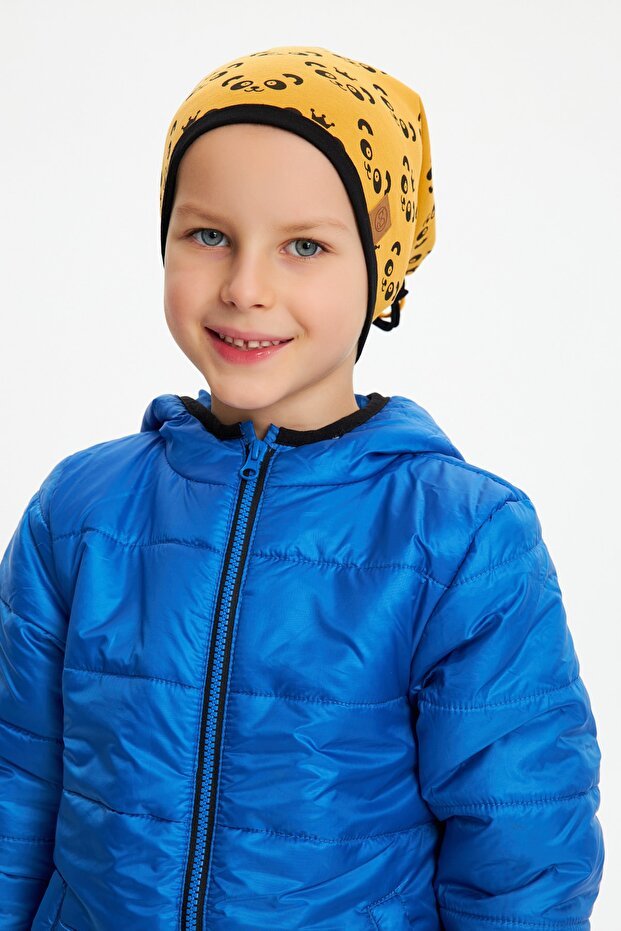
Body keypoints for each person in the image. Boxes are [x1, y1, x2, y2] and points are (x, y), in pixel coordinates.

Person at [0, 44, 604, 930]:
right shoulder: (80, 513)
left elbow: (520, 857)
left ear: (380, 272)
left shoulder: (461, 540)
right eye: (208, 235)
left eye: (305, 246)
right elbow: (16, 790)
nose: (246, 287)